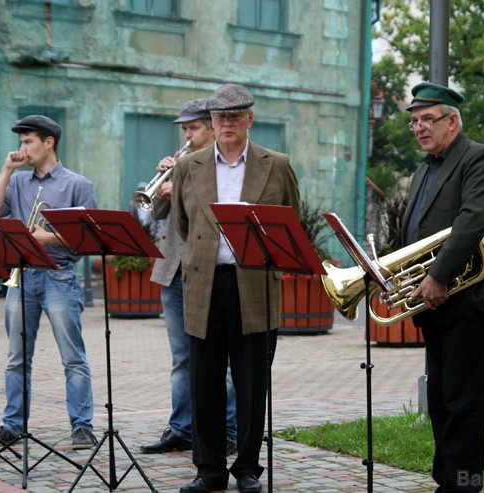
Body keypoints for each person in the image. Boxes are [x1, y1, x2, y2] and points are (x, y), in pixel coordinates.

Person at [171, 84, 300, 493]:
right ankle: (208, 469)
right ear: (211, 121)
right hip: (204, 286)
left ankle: (246, 466)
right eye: (220, 117)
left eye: (234, 116)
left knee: (251, 384)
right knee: (204, 384)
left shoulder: (276, 164)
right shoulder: (187, 166)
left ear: (249, 119)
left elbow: (290, 222)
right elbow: (183, 226)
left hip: (255, 286)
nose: (226, 123)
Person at [401, 82, 484, 492]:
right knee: (442, 399)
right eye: (414, 121)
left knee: (464, 403)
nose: (420, 128)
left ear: (453, 120)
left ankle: (463, 484)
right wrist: (397, 277)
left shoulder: (477, 158)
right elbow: (414, 234)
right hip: (433, 300)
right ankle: (446, 480)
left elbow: (471, 221)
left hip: (467, 299)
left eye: (428, 119)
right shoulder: (421, 171)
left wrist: (438, 275)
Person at [0, 115, 98, 449]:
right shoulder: (17, 182)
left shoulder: (78, 184)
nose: (22, 148)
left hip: (60, 276)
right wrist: (6, 171)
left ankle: (82, 426)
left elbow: (89, 237)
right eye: (20, 142)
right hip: (22, 277)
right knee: (17, 358)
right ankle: (12, 424)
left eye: (28, 141)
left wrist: (49, 238)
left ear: (50, 142)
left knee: (72, 358)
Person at [140, 98, 238, 456]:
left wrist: (180, 182)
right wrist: (165, 183)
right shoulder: (181, 164)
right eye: (184, 129)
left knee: (222, 358)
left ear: (212, 128)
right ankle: (182, 428)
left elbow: (211, 214)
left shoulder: (220, 166)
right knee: (182, 358)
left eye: (193, 128)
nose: (187, 135)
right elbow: (155, 214)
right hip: (174, 270)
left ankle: (228, 429)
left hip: (210, 272)